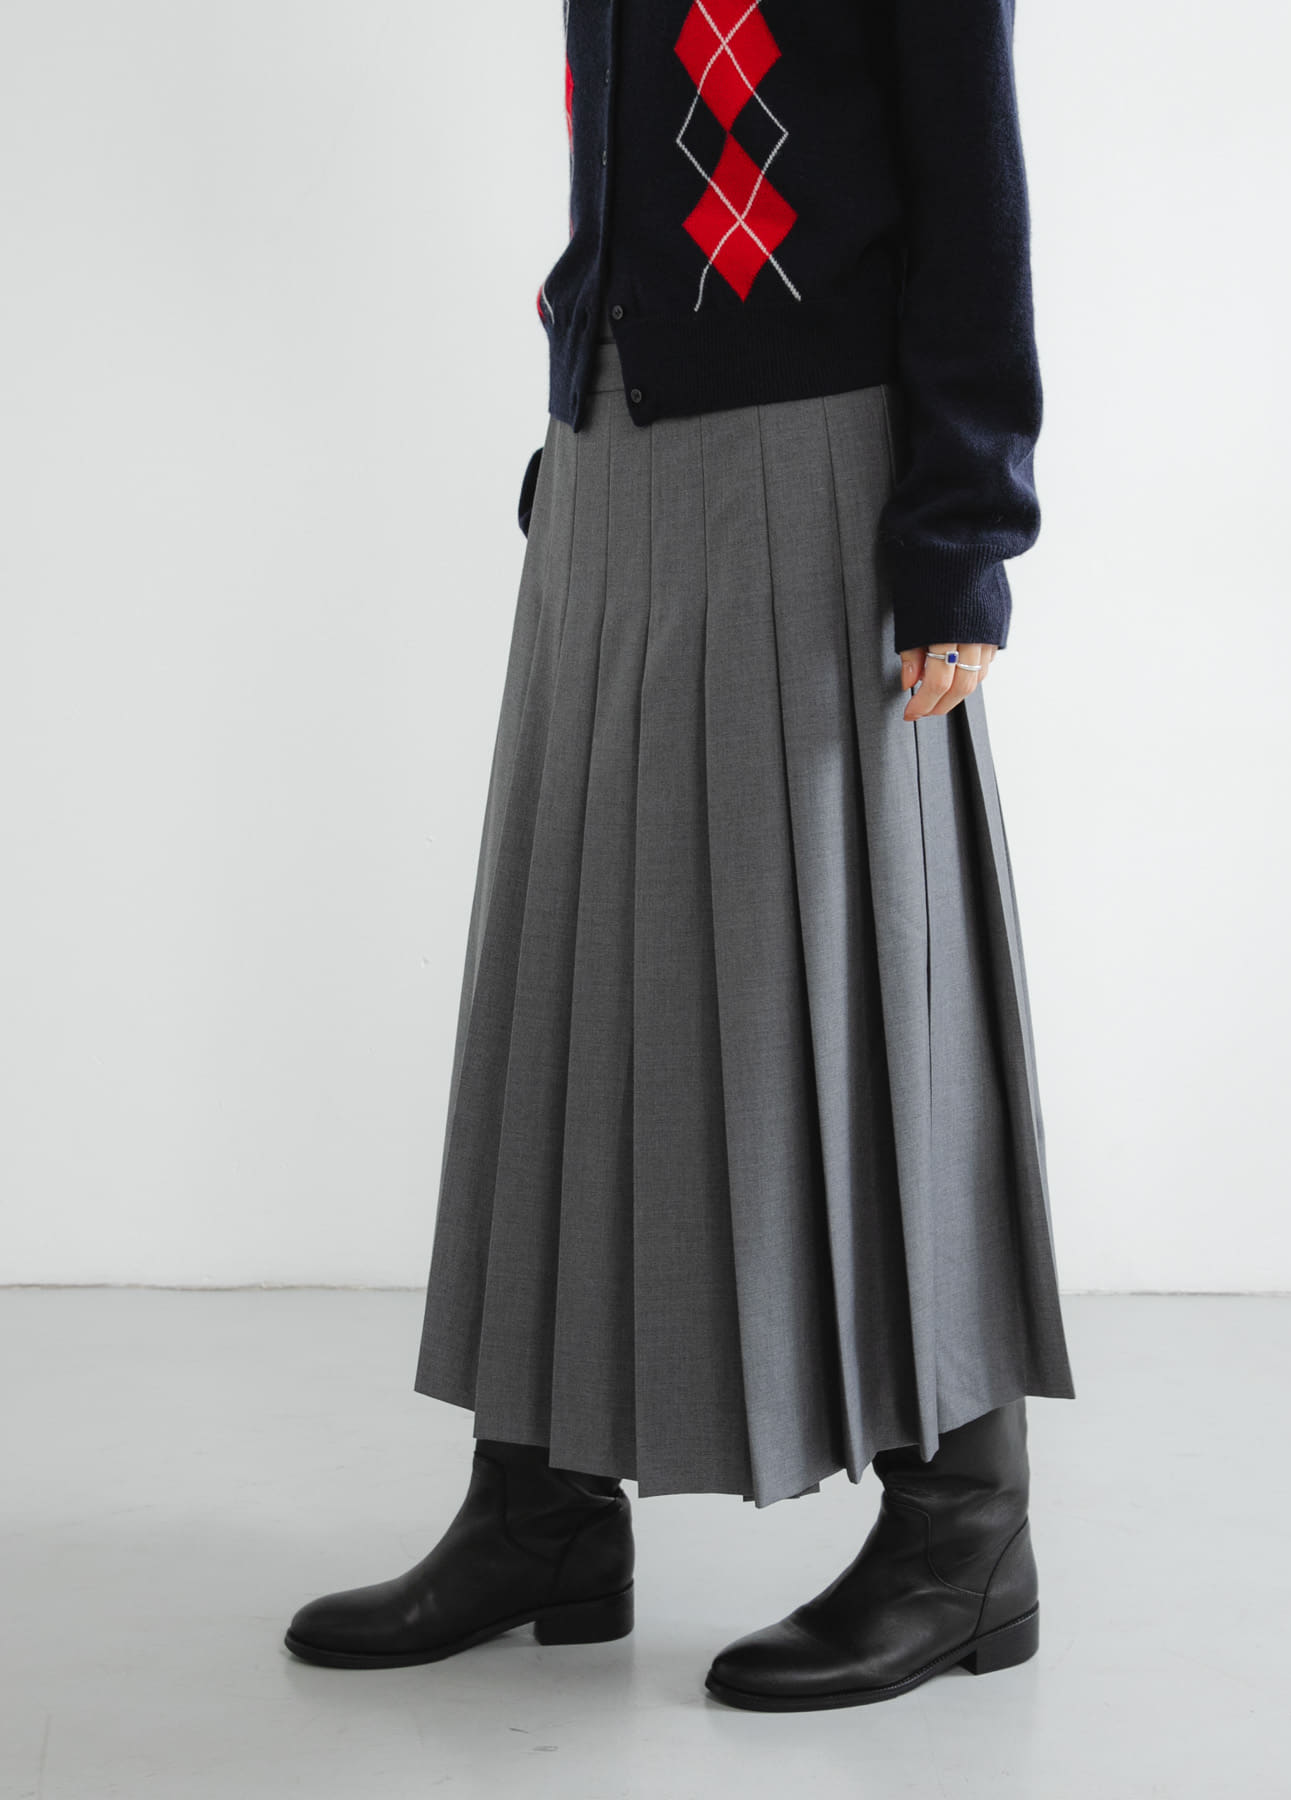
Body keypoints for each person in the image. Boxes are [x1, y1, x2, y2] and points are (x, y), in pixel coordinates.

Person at [284, 0, 1074, 1711]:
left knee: (868, 969)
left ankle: (963, 1531)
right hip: (609, 455)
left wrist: (964, 530)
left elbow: (974, 195)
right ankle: (543, 1506)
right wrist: (580, 405)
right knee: (568, 970)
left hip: (818, 454)